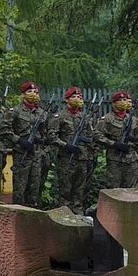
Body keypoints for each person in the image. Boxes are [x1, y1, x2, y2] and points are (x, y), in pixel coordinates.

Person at [49, 87, 96, 215]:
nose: (78, 99)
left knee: (80, 190)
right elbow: (51, 136)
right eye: (74, 97)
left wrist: (89, 151)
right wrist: (66, 146)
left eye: (80, 97)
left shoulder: (85, 118)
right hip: (66, 159)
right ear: (67, 99)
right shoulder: (60, 116)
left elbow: (92, 137)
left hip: (82, 158)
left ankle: (79, 214)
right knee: (66, 190)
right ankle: (65, 215)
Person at [2, 81, 49, 208]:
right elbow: (5, 130)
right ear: (23, 94)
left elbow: (45, 133)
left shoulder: (42, 113)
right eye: (29, 92)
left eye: (34, 92)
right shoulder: (15, 111)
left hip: (36, 154)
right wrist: (19, 140)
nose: (33, 94)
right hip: (22, 154)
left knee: (35, 187)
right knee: (19, 187)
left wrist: (41, 140)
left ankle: (32, 213)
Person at [94, 91, 138, 188]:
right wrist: (114, 144)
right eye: (119, 100)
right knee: (114, 188)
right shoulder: (107, 119)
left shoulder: (134, 120)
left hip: (132, 159)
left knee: (131, 189)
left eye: (124, 100)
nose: (123, 102)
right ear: (113, 103)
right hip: (115, 160)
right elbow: (97, 135)